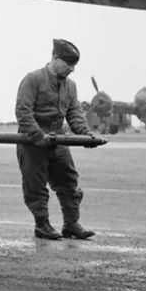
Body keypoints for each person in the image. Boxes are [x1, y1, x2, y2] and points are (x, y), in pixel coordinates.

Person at [15, 39, 96, 240]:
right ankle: (42, 225)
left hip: (58, 139)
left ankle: (71, 225)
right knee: (35, 186)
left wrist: (86, 134)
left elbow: (74, 113)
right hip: (32, 141)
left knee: (69, 181)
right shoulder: (33, 79)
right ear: (55, 58)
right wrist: (38, 136)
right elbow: (23, 112)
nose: (72, 69)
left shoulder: (70, 86)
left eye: (74, 65)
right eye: (68, 64)